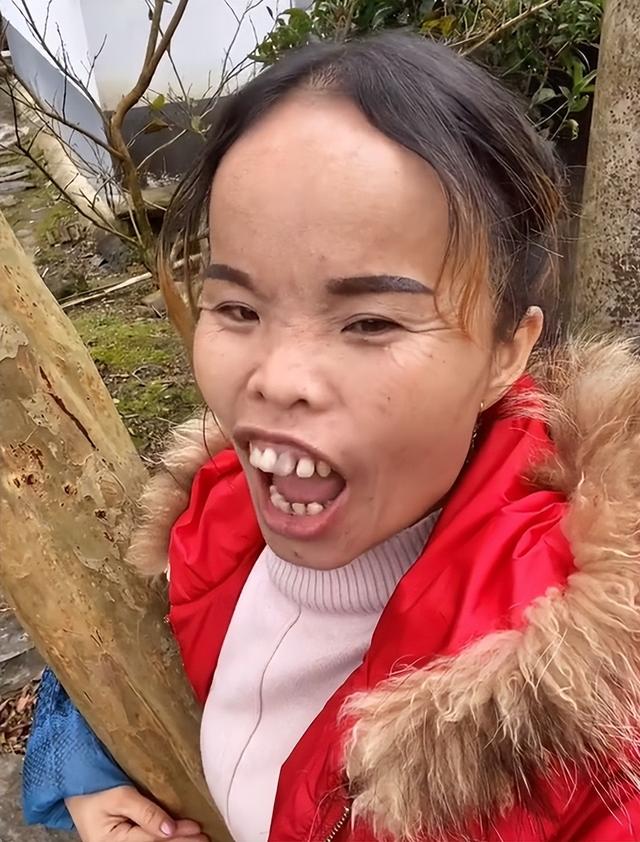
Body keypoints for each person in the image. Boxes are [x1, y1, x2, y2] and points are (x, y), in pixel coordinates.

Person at [22, 30, 640, 842]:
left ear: (507, 351)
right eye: (238, 308)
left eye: (371, 322)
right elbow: (131, 634)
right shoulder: (212, 514)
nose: (276, 379)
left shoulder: (588, 735)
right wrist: (89, 770)